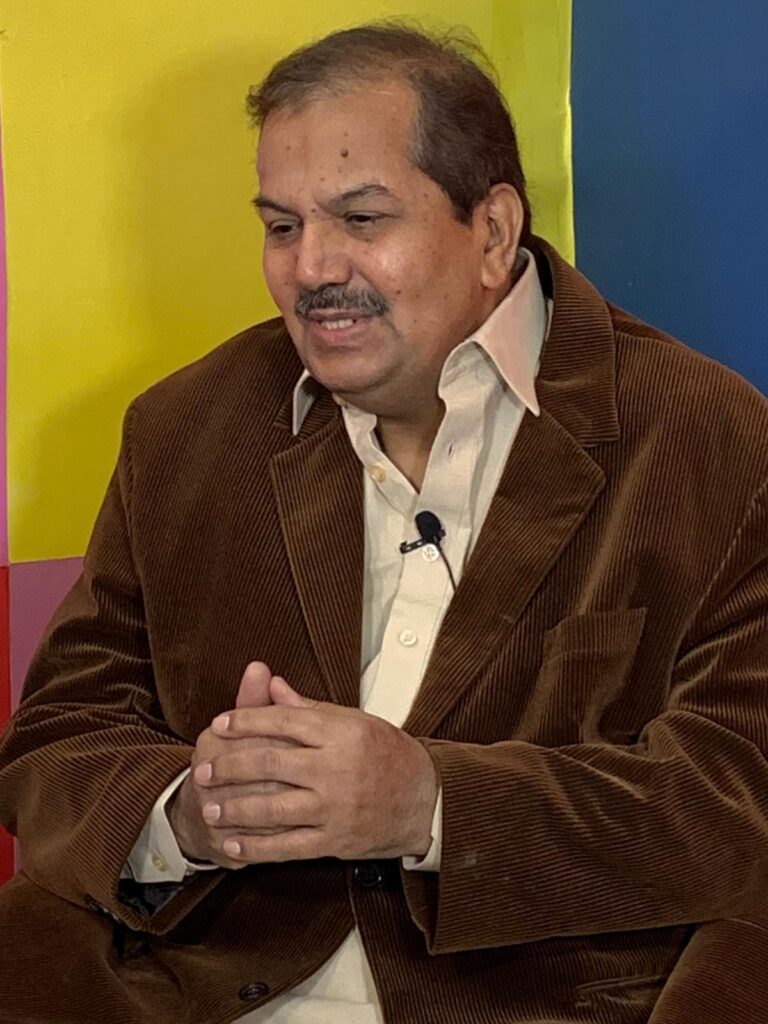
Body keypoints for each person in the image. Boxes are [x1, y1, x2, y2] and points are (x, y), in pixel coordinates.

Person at [1, 21, 768, 1024]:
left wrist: (432, 805)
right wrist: (185, 813)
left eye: (361, 218)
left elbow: (735, 800)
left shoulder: (706, 436)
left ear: (492, 232)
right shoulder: (184, 429)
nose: (311, 268)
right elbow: (58, 739)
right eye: (282, 226)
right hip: (192, 990)